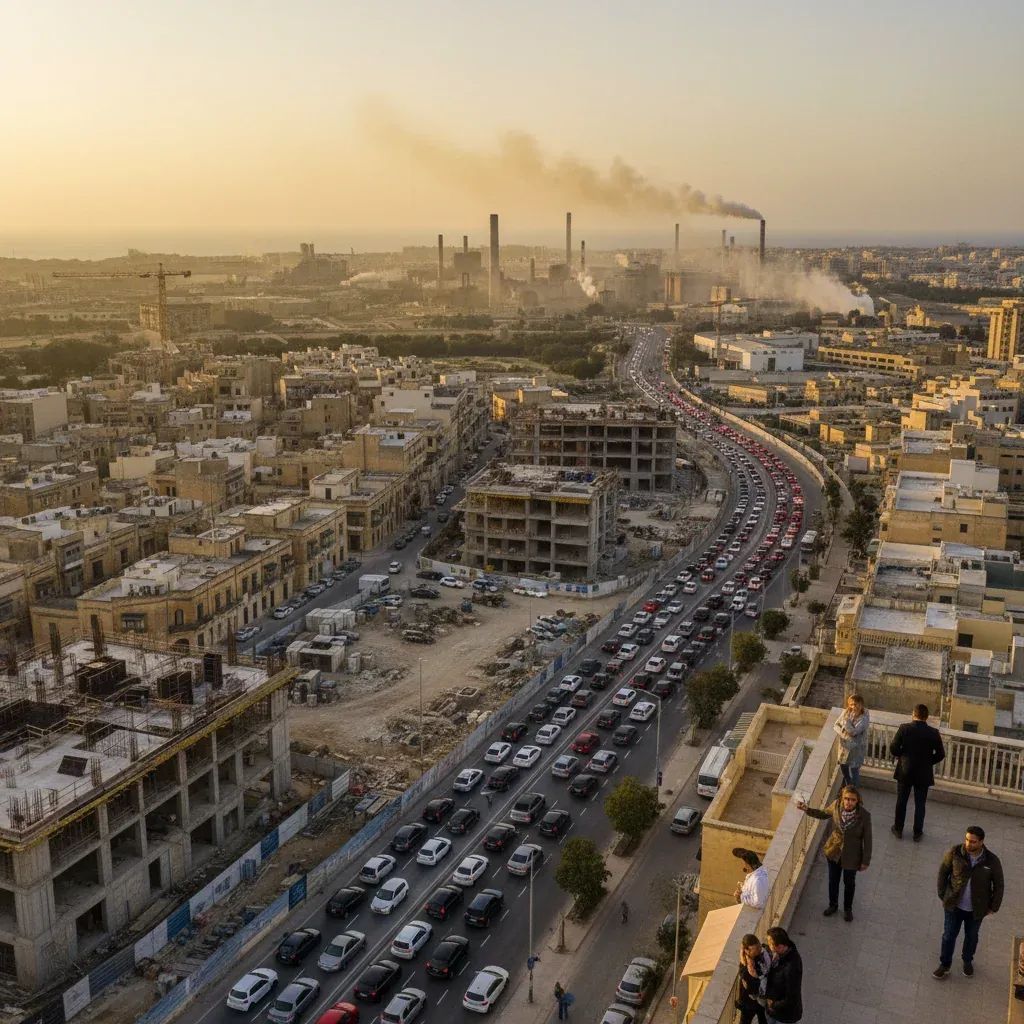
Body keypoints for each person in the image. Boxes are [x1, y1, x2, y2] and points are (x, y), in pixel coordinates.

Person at [934, 825, 1004, 979]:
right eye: (966, 839)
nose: (968, 844)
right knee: (948, 936)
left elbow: (999, 885)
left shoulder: (991, 861)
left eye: (972, 842)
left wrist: (993, 907)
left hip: (976, 909)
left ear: (981, 842)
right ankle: (945, 965)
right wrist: (943, 895)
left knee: (972, 936)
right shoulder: (955, 852)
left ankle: (967, 961)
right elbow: (943, 873)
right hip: (953, 906)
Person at [796, 785, 871, 921]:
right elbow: (823, 814)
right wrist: (807, 809)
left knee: (849, 883)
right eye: (846, 799)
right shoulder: (836, 806)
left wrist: (866, 861)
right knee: (833, 880)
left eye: (852, 800)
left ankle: (848, 909)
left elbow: (868, 839)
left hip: (852, 856)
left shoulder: (864, 816)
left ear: (857, 801)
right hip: (834, 851)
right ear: (842, 798)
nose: (849, 802)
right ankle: (833, 905)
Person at [890, 703, 945, 841]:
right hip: (923, 773)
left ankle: (898, 829)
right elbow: (940, 754)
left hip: (905, 770)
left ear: (913, 714)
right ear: (927, 717)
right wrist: (928, 762)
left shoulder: (904, 728)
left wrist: (902, 755)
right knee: (920, 804)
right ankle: (917, 833)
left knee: (901, 801)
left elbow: (893, 748)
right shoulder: (933, 733)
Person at [764, 926, 802, 1024]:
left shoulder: (791, 967)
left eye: (770, 944)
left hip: (784, 1016)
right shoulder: (780, 955)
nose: (769, 946)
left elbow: (791, 997)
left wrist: (773, 1005)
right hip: (774, 1009)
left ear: (780, 946)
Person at [833, 693, 869, 785]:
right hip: (844, 746)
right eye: (851, 704)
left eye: (856, 704)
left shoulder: (864, 717)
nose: (853, 707)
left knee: (854, 770)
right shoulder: (847, 712)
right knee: (843, 766)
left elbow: (854, 732)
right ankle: (848, 784)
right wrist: (844, 734)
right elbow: (836, 725)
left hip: (856, 749)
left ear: (861, 705)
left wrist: (845, 722)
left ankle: (854, 789)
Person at [737, 933, 772, 1024]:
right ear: (747, 951)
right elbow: (751, 988)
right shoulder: (746, 969)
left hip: (757, 1000)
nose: (759, 950)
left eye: (759, 946)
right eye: (756, 949)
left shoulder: (763, 954)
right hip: (751, 1002)